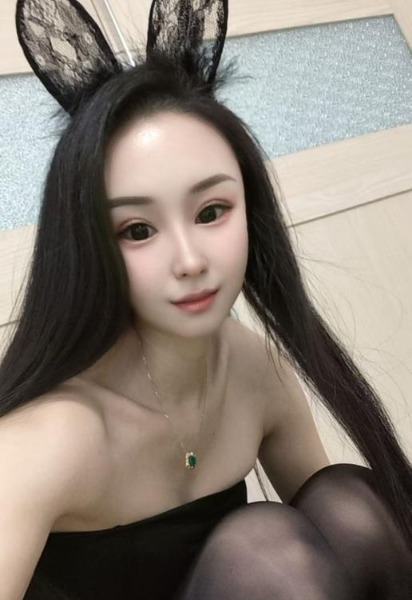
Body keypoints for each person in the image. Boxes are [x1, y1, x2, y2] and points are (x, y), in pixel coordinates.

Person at [1, 0, 411, 598]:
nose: (190, 260)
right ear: (88, 246)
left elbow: (340, 556)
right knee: (269, 548)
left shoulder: (251, 369)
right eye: (138, 230)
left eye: (212, 211)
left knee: (350, 505)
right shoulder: (51, 439)